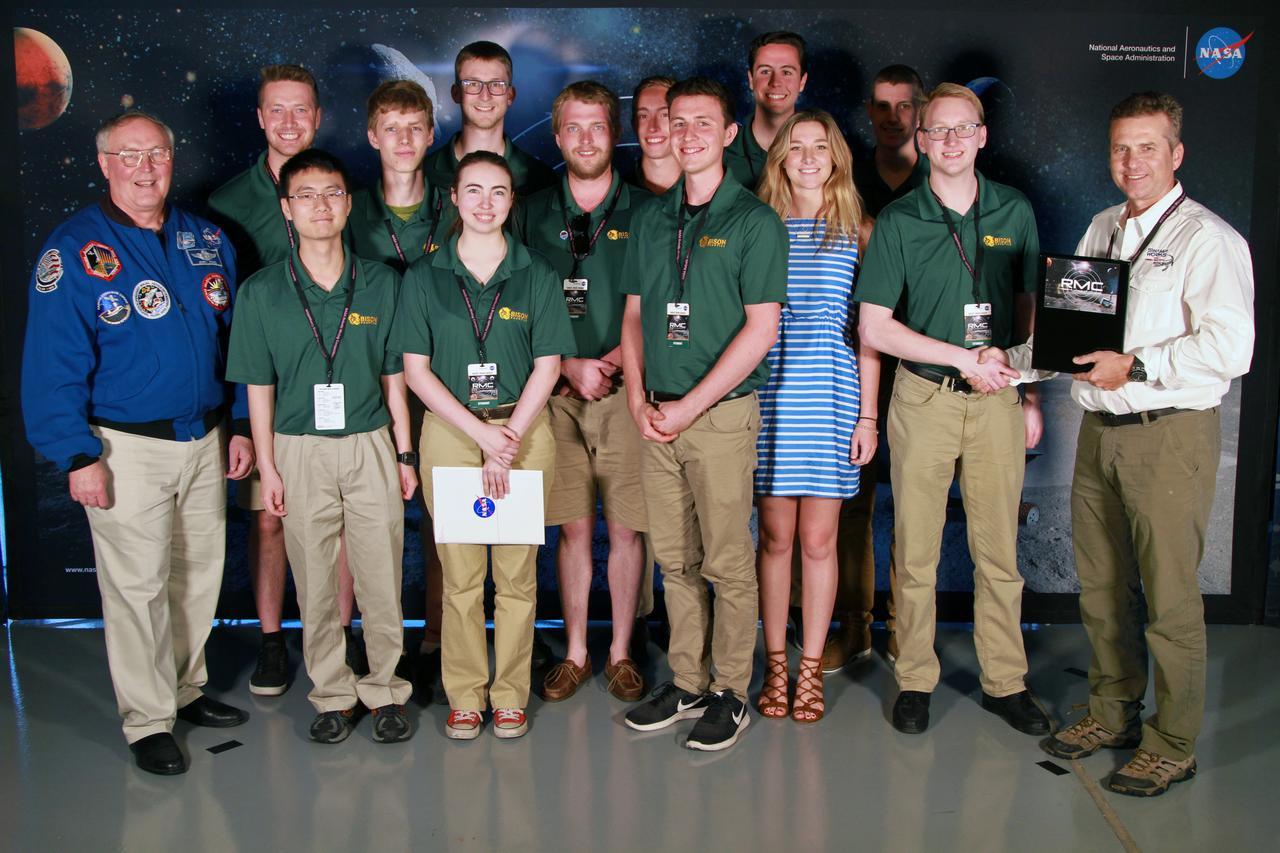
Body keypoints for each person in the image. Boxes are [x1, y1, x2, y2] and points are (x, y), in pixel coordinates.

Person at [998, 92, 1254, 796]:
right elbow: (1068, 334)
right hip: (1099, 434)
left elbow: (1233, 348)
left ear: (1176, 154)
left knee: (1169, 598)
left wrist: (1136, 365)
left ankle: (1172, 741)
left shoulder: (1210, 239)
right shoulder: (1103, 227)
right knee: (1103, 587)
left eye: (1147, 146)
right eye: (1121, 148)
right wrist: (1007, 363)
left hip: (1165, 434)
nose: (1132, 160)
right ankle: (1113, 710)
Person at [22, 110, 253, 775]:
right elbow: (52, 363)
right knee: (137, 585)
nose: (146, 168)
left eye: (157, 154)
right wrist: (76, 453)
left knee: (197, 573)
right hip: (124, 447)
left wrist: (235, 422)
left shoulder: (205, 240)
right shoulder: (74, 251)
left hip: (206, 436)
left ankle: (184, 688)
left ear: (172, 159)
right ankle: (147, 719)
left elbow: (235, 343)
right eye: (130, 156)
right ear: (103, 163)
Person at [855, 83, 1050, 737]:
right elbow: (876, 327)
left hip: (997, 398)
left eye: (962, 129)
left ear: (983, 135)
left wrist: (1028, 388)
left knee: (998, 550)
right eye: (936, 132)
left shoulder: (1015, 210)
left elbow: (1029, 308)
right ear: (922, 140)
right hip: (925, 396)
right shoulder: (900, 221)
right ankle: (914, 675)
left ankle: (1006, 680)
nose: (950, 142)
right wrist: (960, 356)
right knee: (914, 551)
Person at [227, 148, 417, 744]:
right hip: (298, 446)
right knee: (312, 577)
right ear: (287, 209)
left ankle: (385, 688)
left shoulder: (382, 282)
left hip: (370, 444)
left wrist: (405, 453)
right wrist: (269, 466)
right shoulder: (262, 292)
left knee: (380, 572)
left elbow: (395, 377)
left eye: (331, 193)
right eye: (305, 195)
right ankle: (333, 692)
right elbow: (259, 387)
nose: (320, 205)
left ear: (348, 203)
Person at [620, 77, 787, 751]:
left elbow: (761, 329)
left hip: (716, 418)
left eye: (701, 123)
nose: (685, 133)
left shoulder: (753, 220)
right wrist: (637, 396)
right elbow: (633, 315)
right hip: (655, 418)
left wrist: (692, 403)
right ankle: (686, 679)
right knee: (675, 559)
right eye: (674, 122)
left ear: (726, 134)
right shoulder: (651, 218)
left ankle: (729, 690)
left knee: (725, 559)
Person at [393, 151, 575, 740]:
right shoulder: (425, 277)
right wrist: (481, 438)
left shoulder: (537, 273)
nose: (485, 203)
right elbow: (416, 372)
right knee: (463, 575)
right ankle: (467, 695)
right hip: (451, 431)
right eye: (473, 191)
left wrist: (509, 441)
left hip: (522, 428)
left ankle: (510, 694)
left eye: (498, 192)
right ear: (453, 199)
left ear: (511, 202)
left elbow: (548, 366)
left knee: (519, 576)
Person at [208, 64, 364, 694]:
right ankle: (274, 640)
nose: (290, 122)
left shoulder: (345, 190)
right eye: (278, 110)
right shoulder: (226, 204)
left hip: (339, 386)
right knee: (270, 517)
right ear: (260, 118)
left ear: (319, 116)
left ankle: (340, 636)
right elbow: (220, 320)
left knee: (347, 523)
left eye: (302, 110)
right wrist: (240, 422)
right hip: (265, 394)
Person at [514, 81, 651, 704]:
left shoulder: (648, 209)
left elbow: (660, 306)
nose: (587, 139)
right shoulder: (530, 210)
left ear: (613, 131)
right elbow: (512, 305)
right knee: (572, 529)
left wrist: (614, 364)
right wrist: (569, 365)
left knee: (626, 530)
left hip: (626, 393)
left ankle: (621, 652)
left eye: (598, 126)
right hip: (555, 393)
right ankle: (575, 652)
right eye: (574, 127)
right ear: (556, 134)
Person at [753, 109, 878, 723]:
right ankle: (775, 665)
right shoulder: (759, 225)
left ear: (836, 156)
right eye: (795, 146)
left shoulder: (858, 229)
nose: (807, 157)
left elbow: (872, 336)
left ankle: (810, 671)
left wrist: (869, 418)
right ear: (779, 157)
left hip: (832, 398)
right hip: (771, 397)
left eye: (819, 146)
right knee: (776, 539)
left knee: (819, 541)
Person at [819, 64, 931, 672]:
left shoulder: (943, 178)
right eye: (882, 107)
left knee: (916, 502)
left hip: (920, 362)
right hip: (854, 360)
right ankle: (855, 626)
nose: (893, 117)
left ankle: (907, 632)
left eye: (905, 106)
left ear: (922, 110)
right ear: (869, 112)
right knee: (854, 502)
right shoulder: (849, 179)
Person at [347, 78, 449, 674]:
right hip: (371, 381)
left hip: (443, 381)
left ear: (432, 135)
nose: (405, 139)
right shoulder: (348, 208)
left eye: (415, 128)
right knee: (368, 520)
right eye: (392, 128)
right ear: (372, 136)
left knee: (442, 518)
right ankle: (366, 639)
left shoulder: (457, 203)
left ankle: (438, 638)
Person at [423, 41, 556, 210]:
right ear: (456, 93)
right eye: (472, 84)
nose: (485, 96)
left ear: (510, 96)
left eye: (496, 85)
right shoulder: (423, 176)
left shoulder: (541, 180)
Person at [724, 31, 808, 189]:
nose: (776, 82)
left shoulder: (823, 154)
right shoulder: (720, 153)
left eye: (787, 72)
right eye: (765, 71)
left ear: (802, 82)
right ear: (751, 80)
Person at [628, 76, 680, 196]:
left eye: (664, 115)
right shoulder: (617, 193)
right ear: (634, 125)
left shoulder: (706, 189)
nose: (653, 127)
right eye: (643, 116)